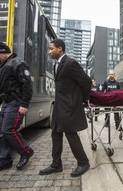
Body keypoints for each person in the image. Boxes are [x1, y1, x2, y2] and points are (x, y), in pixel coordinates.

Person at [39, 38, 91, 177]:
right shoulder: (56, 64)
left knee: (70, 133)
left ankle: (83, 163)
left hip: (69, 106)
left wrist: (83, 99)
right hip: (59, 105)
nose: (49, 51)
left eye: (51, 49)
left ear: (60, 49)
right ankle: (56, 164)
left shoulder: (70, 63)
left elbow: (86, 81)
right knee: (55, 132)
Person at [0, 42, 34, 174]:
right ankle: (5, 161)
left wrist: (24, 104)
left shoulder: (17, 63)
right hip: (7, 102)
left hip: (16, 102)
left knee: (9, 130)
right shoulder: (4, 65)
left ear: (2, 52)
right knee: (2, 133)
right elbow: (5, 86)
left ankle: (26, 152)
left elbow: (27, 85)